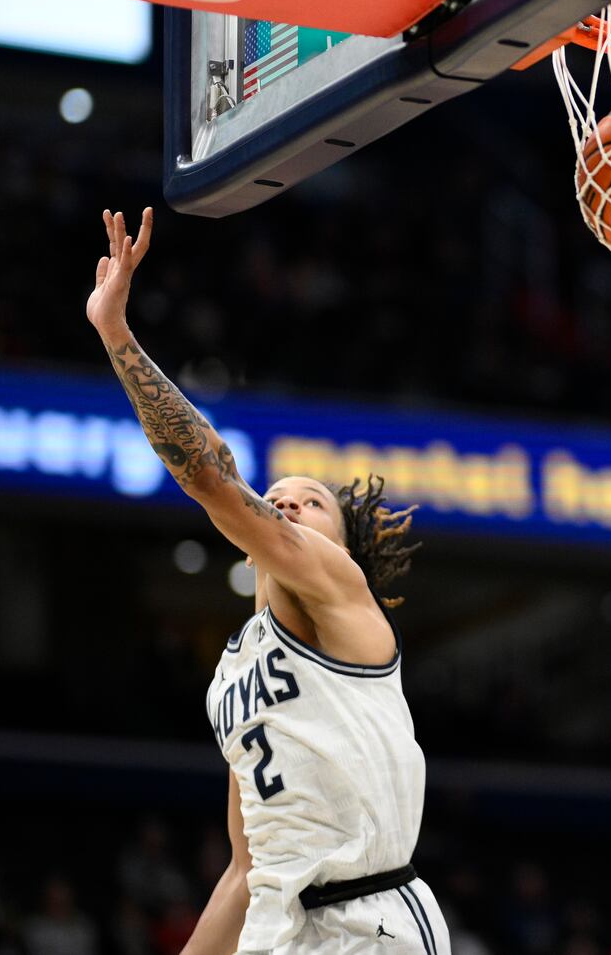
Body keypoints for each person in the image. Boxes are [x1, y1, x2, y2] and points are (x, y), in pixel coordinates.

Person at [86, 208, 450, 955]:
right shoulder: (231, 673)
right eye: (278, 494)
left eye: (310, 500)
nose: (286, 501)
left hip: (371, 921)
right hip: (282, 927)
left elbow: (213, 476)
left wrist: (116, 334)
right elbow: (246, 868)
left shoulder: (342, 593)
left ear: (339, 544)